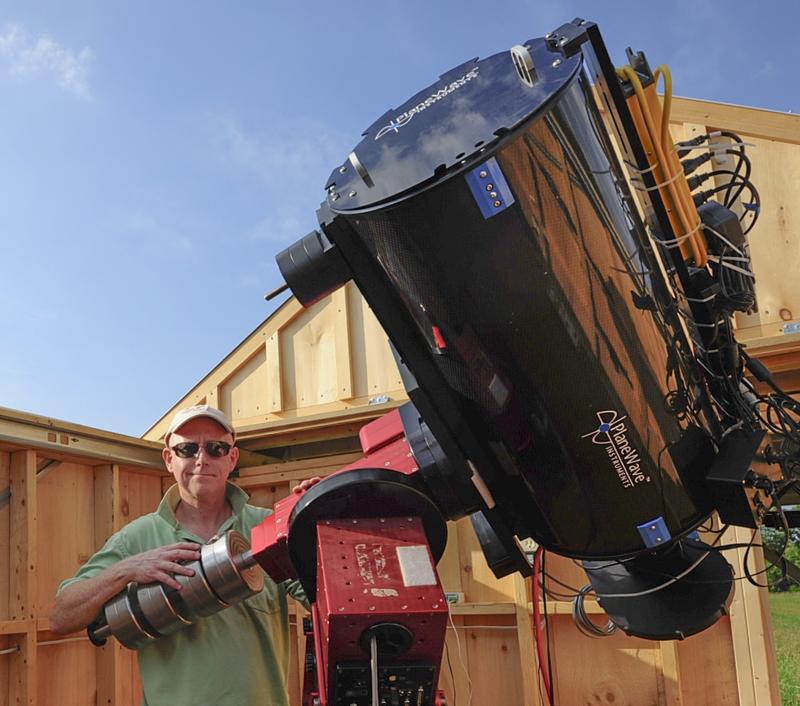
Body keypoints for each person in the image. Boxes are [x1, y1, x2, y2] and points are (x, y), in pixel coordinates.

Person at [51, 404, 318, 706]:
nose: (202, 459)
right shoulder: (138, 538)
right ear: (169, 459)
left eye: (216, 448)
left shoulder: (267, 527)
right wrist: (126, 569)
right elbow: (62, 616)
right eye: (187, 449)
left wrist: (319, 526)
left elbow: (323, 600)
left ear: (232, 458)